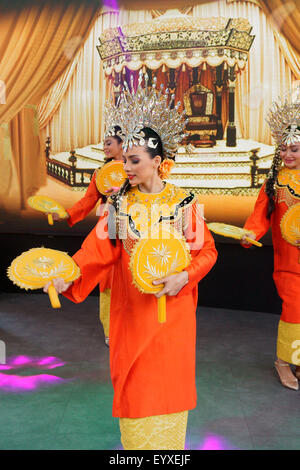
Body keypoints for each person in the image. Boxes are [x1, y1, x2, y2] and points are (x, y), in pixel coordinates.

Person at [43, 74, 217, 450]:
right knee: (135, 390)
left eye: (134, 160)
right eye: (125, 159)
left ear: (158, 162)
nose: (125, 167)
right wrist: (65, 277)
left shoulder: (184, 204)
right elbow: (95, 252)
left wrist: (184, 276)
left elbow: (207, 253)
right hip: (132, 317)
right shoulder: (119, 206)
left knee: (170, 388)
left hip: (174, 317)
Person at [242, 88, 300, 390]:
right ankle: (283, 361)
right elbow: (259, 216)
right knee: (294, 311)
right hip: (289, 265)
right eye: (284, 149)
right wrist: (250, 234)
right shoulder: (274, 183)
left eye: (295, 149)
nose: (287, 155)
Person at [49, 125, 123, 346]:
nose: (105, 147)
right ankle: (111, 331)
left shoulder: (136, 170)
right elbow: (88, 201)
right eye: (104, 143)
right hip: (110, 227)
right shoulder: (101, 175)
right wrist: (66, 214)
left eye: (109, 142)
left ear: (122, 143)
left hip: (136, 228)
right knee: (108, 280)